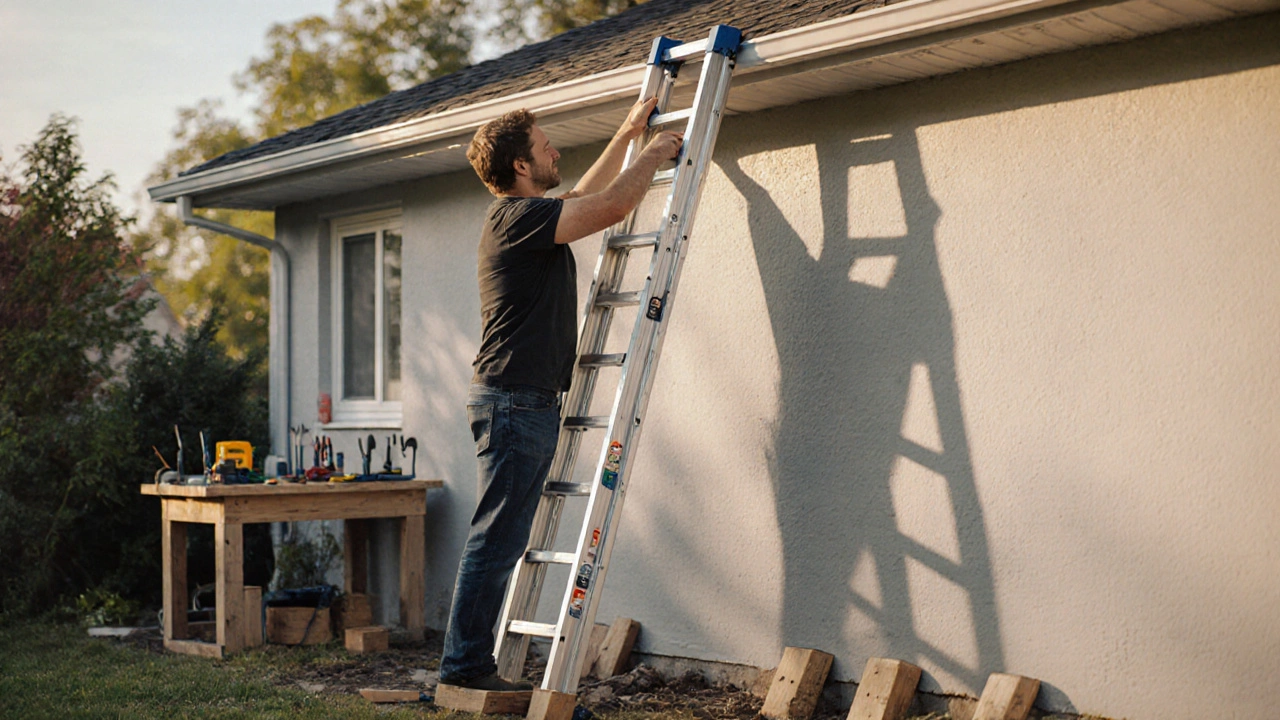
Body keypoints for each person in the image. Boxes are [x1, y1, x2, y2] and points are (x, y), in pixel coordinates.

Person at [437, 99, 683, 692]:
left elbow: (580, 197)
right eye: (543, 145)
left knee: (501, 538)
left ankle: (467, 665)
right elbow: (612, 206)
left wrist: (627, 133)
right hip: (513, 402)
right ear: (521, 165)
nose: (554, 150)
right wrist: (652, 153)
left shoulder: (525, 216)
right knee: (496, 540)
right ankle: (465, 668)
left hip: (522, 401)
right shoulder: (515, 218)